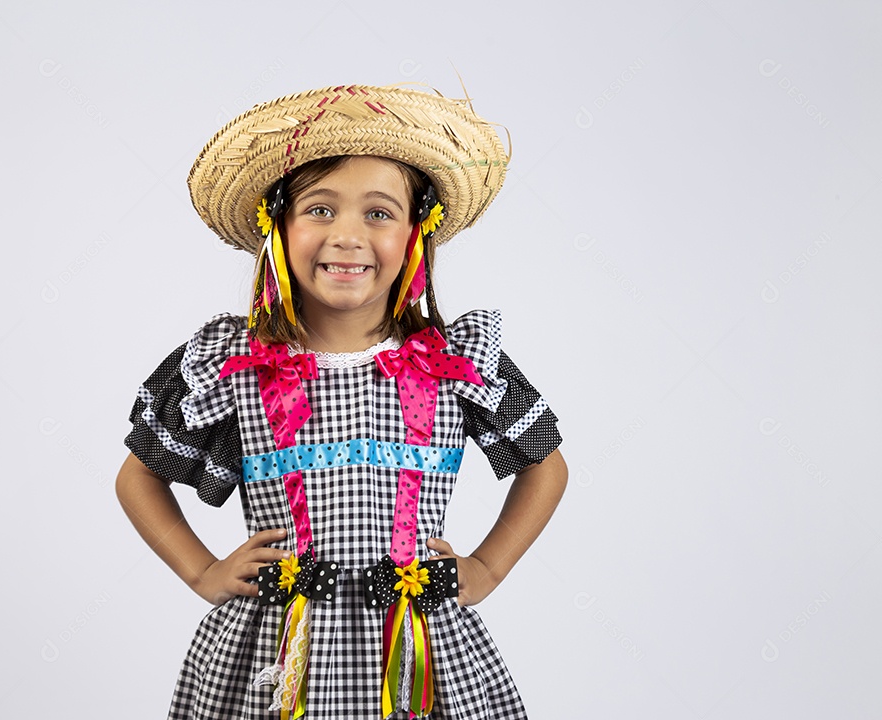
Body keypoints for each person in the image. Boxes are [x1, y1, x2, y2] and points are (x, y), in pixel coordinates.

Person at [115, 83, 568, 720]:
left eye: (378, 213)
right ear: (279, 227)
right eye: (320, 209)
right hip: (279, 651)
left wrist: (488, 569)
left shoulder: (454, 363)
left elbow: (546, 466)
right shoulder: (236, 365)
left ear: (415, 233)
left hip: (414, 652)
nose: (348, 236)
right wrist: (202, 572)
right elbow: (138, 476)